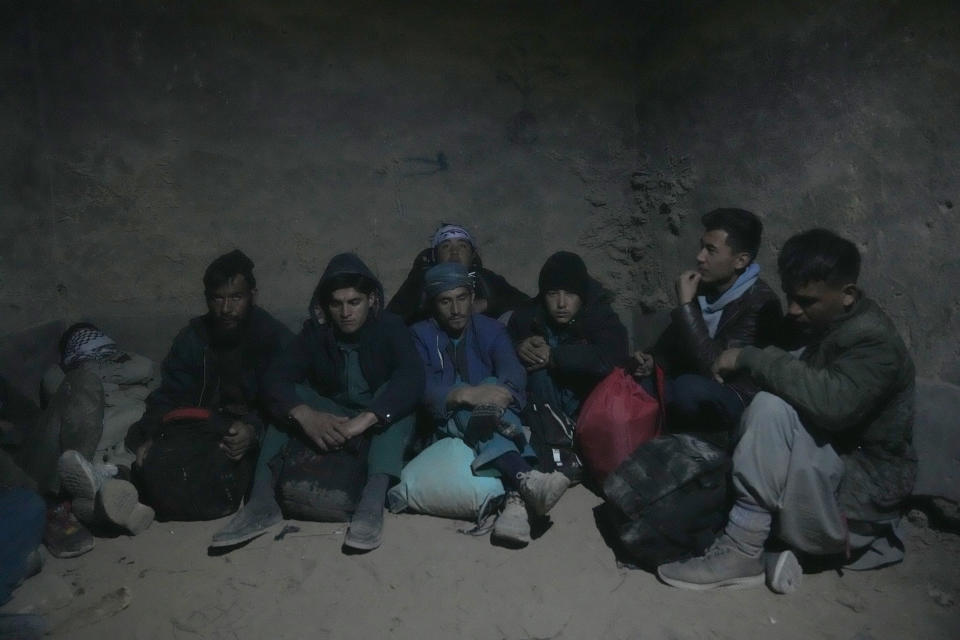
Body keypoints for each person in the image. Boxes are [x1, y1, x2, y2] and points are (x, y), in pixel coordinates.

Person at [657, 229, 916, 593]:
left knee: (770, 409)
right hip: (822, 475)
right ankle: (762, 548)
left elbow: (832, 406)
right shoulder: (819, 323)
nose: (793, 309)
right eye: (791, 297)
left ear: (848, 296)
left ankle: (743, 551)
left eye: (807, 301)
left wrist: (751, 357)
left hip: (856, 503)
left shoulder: (873, 342)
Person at [246, 253, 424, 552]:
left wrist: (367, 418)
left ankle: (372, 503)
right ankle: (261, 500)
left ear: (371, 301)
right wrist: (305, 414)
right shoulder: (315, 334)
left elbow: (412, 377)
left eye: (354, 302)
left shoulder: (390, 328)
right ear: (325, 306)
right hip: (335, 417)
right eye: (336, 303)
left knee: (395, 402)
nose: (345, 312)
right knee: (287, 400)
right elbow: (274, 378)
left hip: (373, 422)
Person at [410, 262, 570, 546]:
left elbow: (512, 371)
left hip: (497, 414)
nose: (456, 309)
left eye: (462, 298)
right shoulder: (420, 335)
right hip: (443, 422)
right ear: (434, 304)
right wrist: (463, 395)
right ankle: (526, 482)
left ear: (472, 298)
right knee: (464, 401)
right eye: (446, 301)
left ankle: (517, 499)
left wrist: (499, 392)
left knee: (491, 394)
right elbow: (421, 388)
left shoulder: (491, 330)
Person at [125, 249, 292, 521]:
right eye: (217, 299)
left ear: (253, 295)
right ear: (207, 299)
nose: (226, 309)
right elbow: (170, 394)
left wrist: (253, 431)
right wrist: (151, 435)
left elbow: (284, 402)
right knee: (151, 458)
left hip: (250, 435)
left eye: (236, 298)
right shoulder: (194, 338)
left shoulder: (273, 339)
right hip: (199, 430)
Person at [636, 208, 782, 449]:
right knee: (638, 383)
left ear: (741, 260)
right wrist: (653, 360)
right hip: (695, 382)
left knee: (686, 389)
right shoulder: (703, 287)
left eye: (711, 250)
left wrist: (685, 307)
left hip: (735, 395)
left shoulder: (761, 303)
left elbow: (715, 368)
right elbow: (675, 346)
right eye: (702, 247)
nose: (700, 257)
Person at [508, 251, 629, 420]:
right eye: (553, 294)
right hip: (544, 406)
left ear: (582, 295)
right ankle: (553, 435)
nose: (561, 303)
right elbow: (500, 348)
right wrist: (519, 348)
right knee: (538, 372)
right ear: (543, 295)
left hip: (589, 404)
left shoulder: (598, 313)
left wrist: (554, 356)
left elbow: (614, 357)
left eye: (570, 294)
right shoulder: (526, 316)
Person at [387, 223, 530, 325]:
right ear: (435, 256)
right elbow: (392, 319)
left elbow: (525, 303)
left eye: (462, 246)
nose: (454, 252)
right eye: (446, 246)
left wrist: (487, 304)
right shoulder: (420, 281)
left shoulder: (484, 278)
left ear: (473, 254)